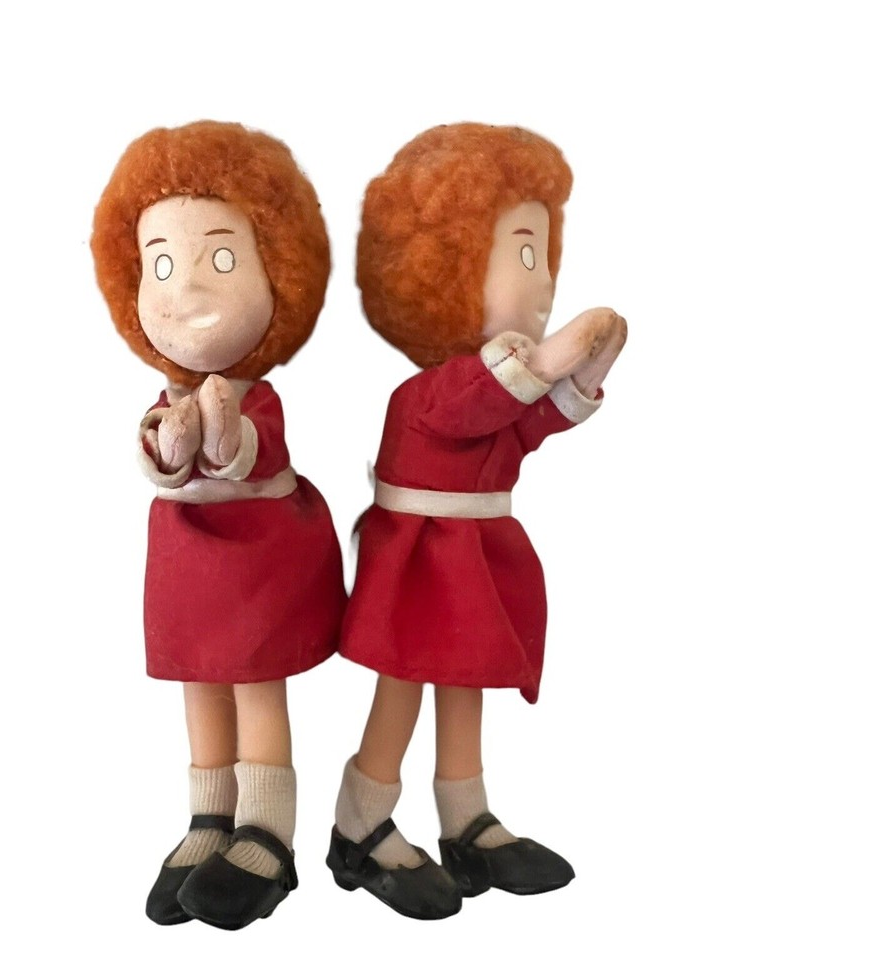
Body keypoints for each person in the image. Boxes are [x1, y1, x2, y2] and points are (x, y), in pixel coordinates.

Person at [329, 122, 627, 919]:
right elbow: (484, 404)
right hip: (420, 561)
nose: (541, 283)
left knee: (467, 682)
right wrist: (560, 354)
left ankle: (466, 817)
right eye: (522, 254)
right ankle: (358, 823)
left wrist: (587, 370)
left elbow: (527, 424)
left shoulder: (493, 386)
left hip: (472, 556)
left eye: (543, 257)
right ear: (446, 266)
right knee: (403, 684)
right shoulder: (428, 393)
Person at [92, 121, 345, 930]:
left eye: (223, 260)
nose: (186, 290)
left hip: (256, 562)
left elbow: (246, 450)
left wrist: (221, 427)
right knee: (199, 683)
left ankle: (268, 833)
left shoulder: (257, 397)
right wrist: (167, 441)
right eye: (161, 264)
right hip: (185, 563)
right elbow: (162, 455)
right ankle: (210, 816)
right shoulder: (167, 397)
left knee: (255, 685)